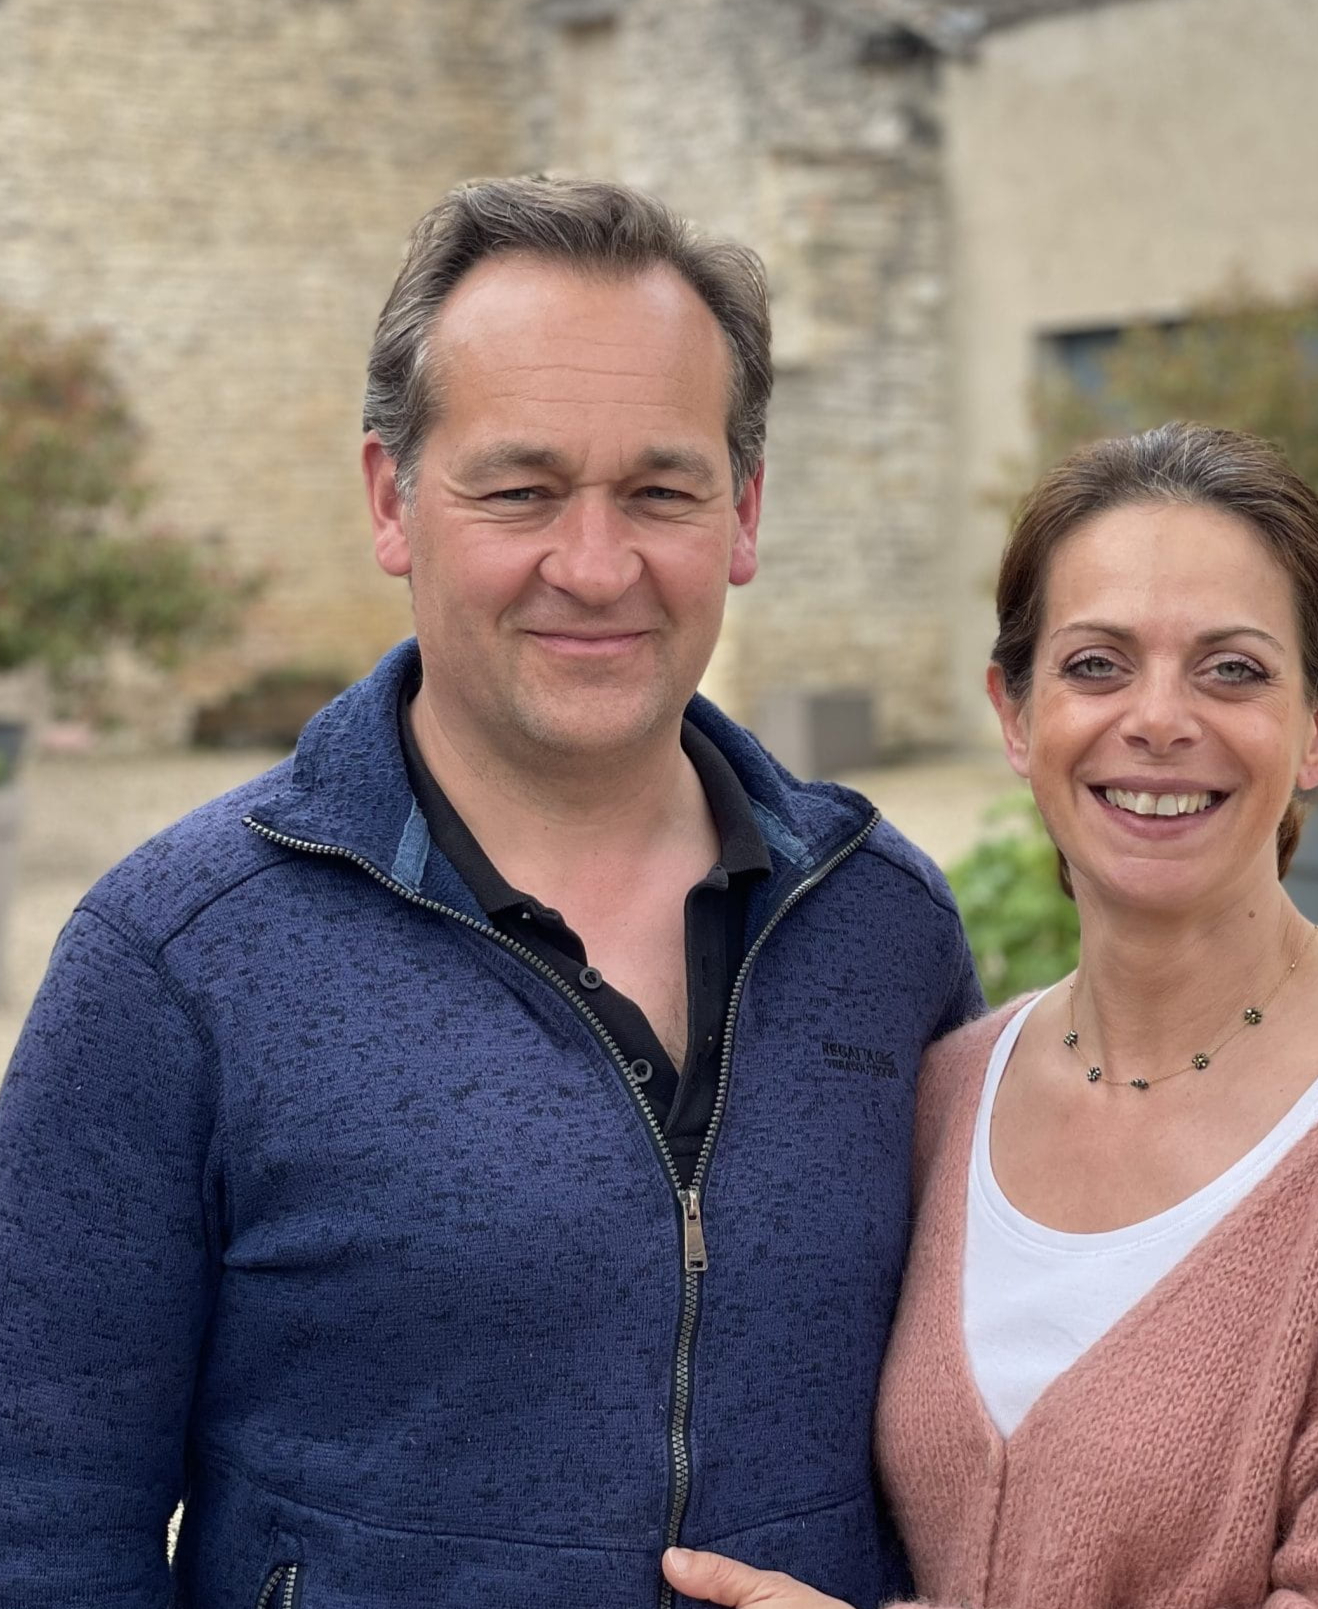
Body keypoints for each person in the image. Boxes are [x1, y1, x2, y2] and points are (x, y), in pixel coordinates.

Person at [0, 177, 983, 1608]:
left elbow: (974, 1446)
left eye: (660, 491)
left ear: (746, 512)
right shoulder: (177, 962)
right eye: (519, 491)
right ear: (393, 500)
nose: (594, 565)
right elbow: (38, 1515)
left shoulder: (883, 926)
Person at [663, 422, 1318, 1609]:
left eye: (1233, 668)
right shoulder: (947, 1091)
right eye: (1096, 664)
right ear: (1014, 713)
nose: (1158, 718)